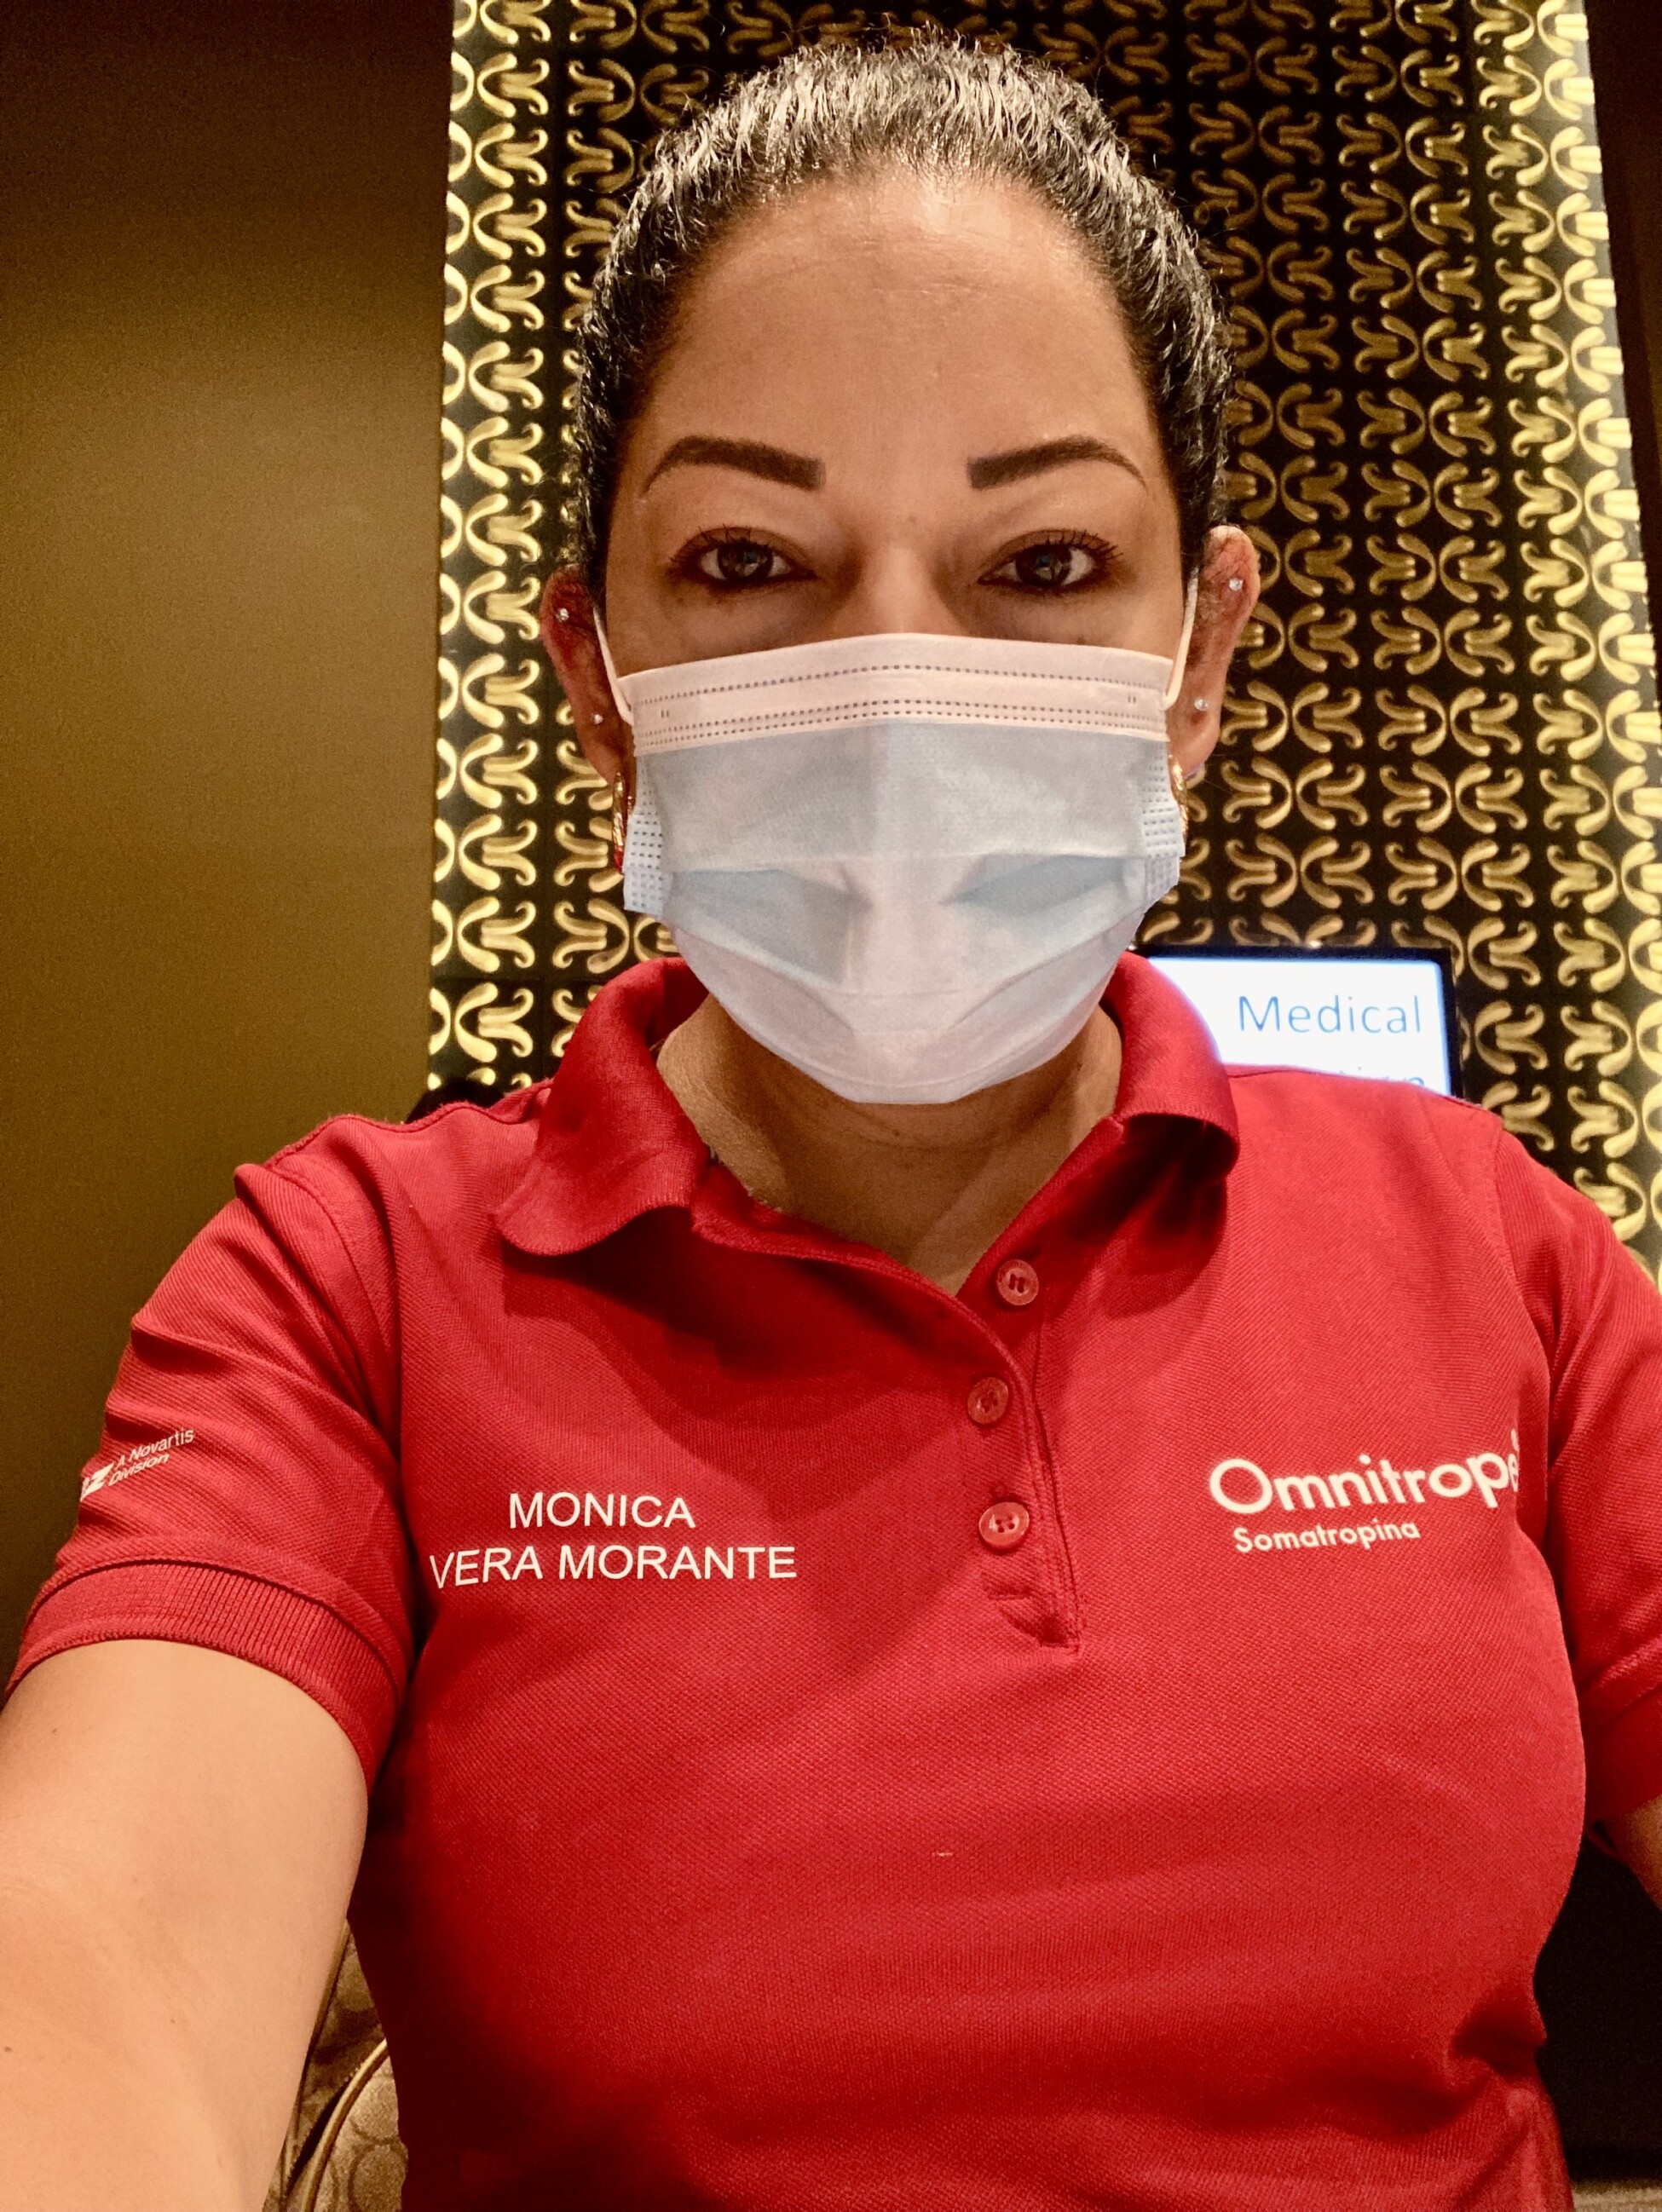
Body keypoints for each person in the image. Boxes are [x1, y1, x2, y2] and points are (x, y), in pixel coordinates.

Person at [3, 36, 1660, 2212]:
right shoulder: (349, 1287)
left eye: (1043, 559)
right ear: (598, 679)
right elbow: (99, 1957)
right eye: (750, 556)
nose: (895, 683)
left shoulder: (1495, 1242)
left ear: (1201, 657)